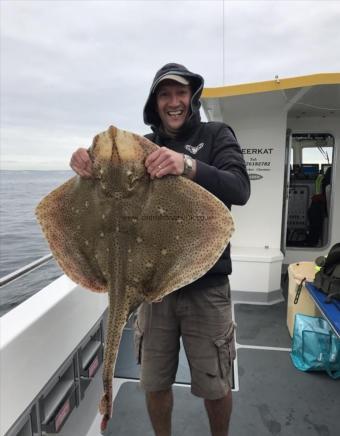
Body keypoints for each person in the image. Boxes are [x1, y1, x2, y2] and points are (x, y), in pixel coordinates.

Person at [70, 63, 250, 436]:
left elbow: (239, 188)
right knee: (153, 382)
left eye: (180, 93)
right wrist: (84, 162)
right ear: (155, 103)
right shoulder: (140, 147)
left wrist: (187, 165)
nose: (173, 102)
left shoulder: (216, 135)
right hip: (151, 290)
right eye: (164, 94)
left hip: (206, 285)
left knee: (215, 385)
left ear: (192, 97)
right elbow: (103, 189)